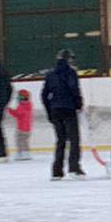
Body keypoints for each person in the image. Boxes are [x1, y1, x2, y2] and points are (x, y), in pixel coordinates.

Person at [41, 49, 85, 180]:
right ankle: (74, 168)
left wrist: (49, 111)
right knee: (74, 139)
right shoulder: (70, 73)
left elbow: (44, 95)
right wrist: (78, 104)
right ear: (69, 60)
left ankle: (57, 171)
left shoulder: (51, 74)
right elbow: (74, 89)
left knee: (60, 141)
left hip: (55, 110)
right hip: (68, 109)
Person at [8, 89, 34, 161]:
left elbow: (17, 114)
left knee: (20, 141)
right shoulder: (29, 105)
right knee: (24, 141)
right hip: (27, 128)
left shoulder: (22, 106)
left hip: (21, 127)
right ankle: (26, 153)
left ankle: (22, 153)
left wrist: (9, 110)